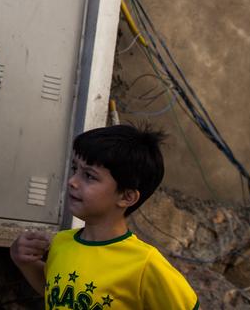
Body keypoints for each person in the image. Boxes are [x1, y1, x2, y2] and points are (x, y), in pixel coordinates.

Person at [11, 124, 198, 310]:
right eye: (75, 169)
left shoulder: (144, 263)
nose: (72, 181)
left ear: (126, 197)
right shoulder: (60, 243)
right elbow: (55, 292)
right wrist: (24, 262)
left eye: (89, 176)